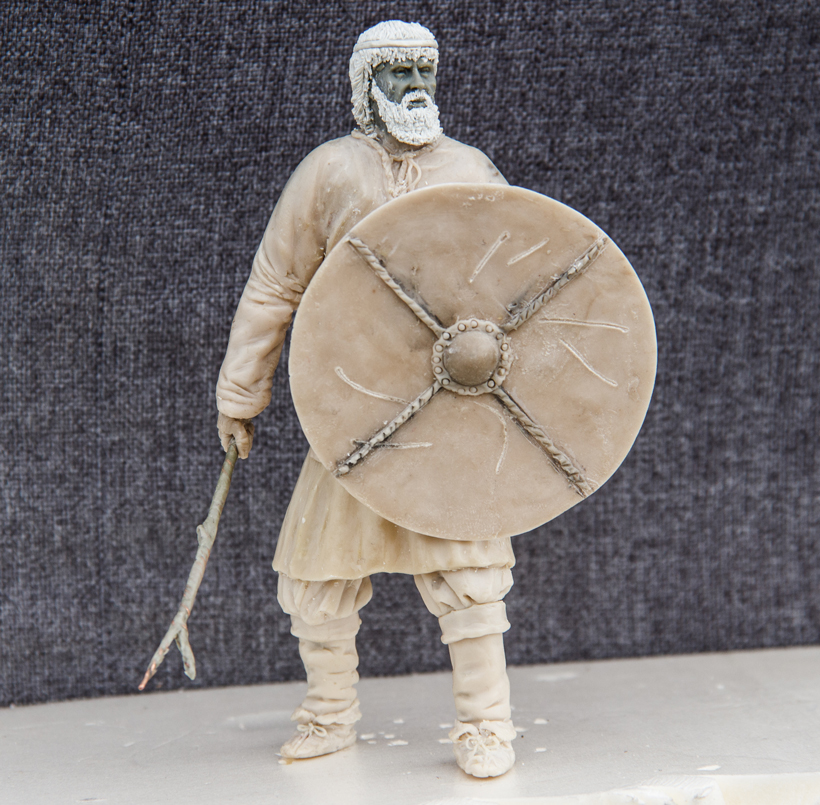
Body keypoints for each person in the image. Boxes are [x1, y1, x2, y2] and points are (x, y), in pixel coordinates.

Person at [216, 20, 517, 778]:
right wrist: (241, 393)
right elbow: (277, 284)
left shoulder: (469, 169)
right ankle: (329, 714)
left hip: (450, 408)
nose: (414, 85)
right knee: (318, 572)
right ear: (365, 84)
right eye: (396, 72)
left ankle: (487, 724)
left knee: (470, 572)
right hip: (352, 408)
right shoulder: (330, 171)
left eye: (424, 70)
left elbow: (520, 279)